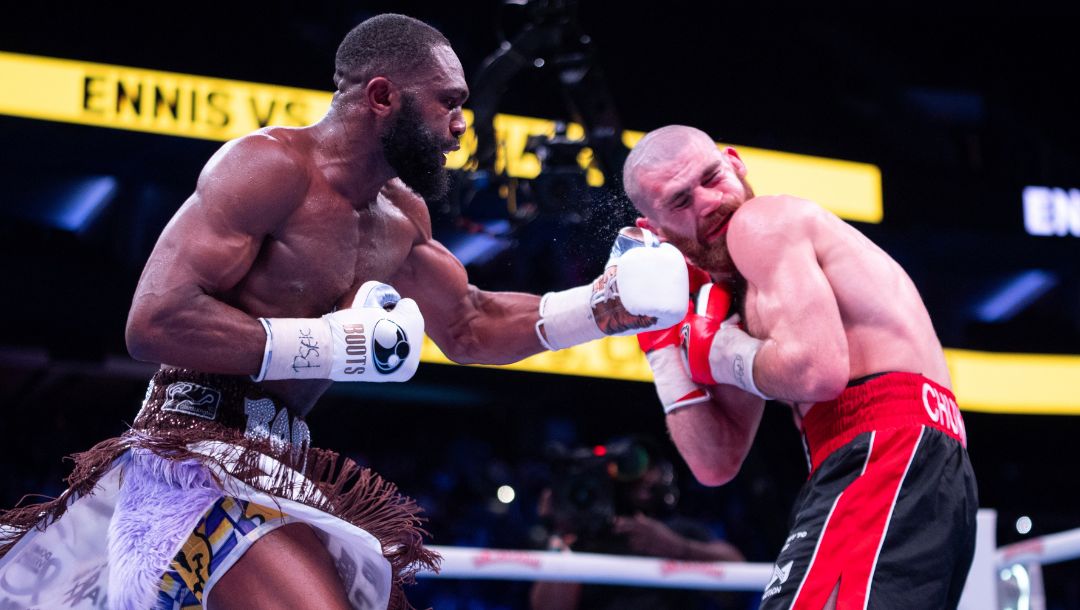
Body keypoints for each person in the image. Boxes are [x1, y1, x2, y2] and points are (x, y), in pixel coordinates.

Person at [0, 15, 690, 610]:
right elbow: (153, 323)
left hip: (281, 464)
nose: (460, 126)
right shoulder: (268, 167)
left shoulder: (401, 215)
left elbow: (470, 323)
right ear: (383, 96)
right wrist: (327, 348)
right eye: (448, 103)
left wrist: (602, 305)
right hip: (193, 459)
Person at [623, 125, 978, 609]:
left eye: (712, 177)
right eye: (680, 201)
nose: (707, 201)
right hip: (900, 460)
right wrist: (664, 346)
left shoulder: (762, 222)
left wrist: (724, 355)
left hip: (883, 451)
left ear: (735, 162)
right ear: (655, 230)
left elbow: (818, 372)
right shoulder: (739, 294)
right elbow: (715, 461)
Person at [529, 438, 745, 610]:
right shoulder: (577, 540)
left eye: (648, 466)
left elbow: (740, 578)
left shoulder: (677, 531)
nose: (644, 477)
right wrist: (562, 532)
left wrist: (677, 548)